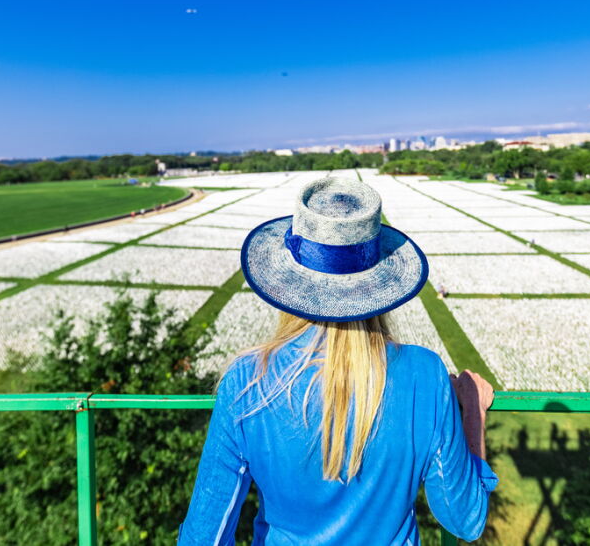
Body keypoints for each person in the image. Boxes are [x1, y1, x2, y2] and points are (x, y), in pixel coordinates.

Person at [179, 178, 497, 545]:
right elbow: (466, 519)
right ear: (380, 284)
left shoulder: (247, 381)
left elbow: (204, 536)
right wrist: (472, 411)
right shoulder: (426, 374)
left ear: (287, 282)